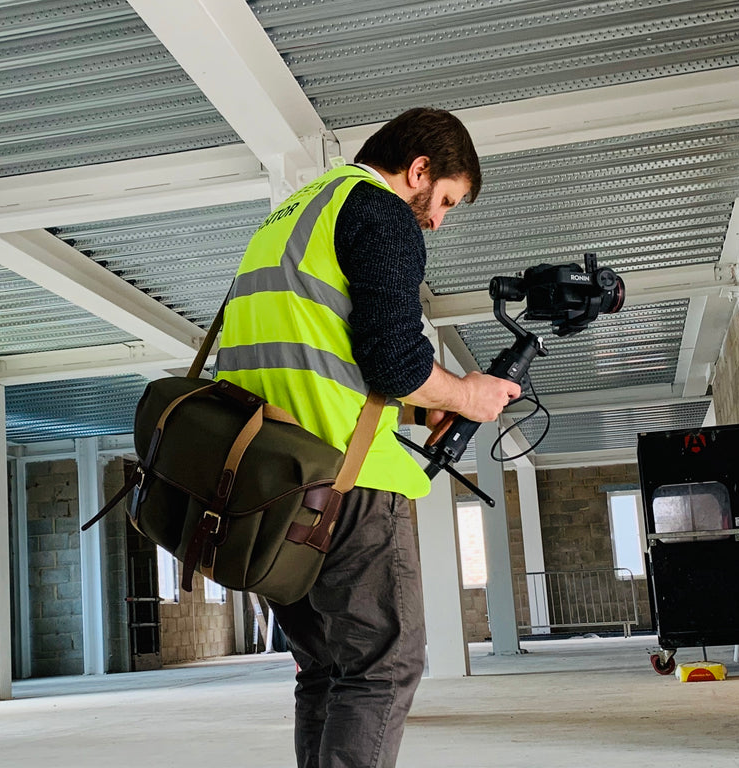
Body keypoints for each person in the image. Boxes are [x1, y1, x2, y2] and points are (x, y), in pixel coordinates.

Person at [214, 108, 521, 768]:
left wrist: (415, 408)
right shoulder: (379, 212)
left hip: (269, 485)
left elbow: (319, 355)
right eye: (443, 200)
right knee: (385, 665)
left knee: (324, 669)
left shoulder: (291, 217)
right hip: (342, 485)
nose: (437, 220)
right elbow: (394, 360)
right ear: (418, 170)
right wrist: (466, 393)